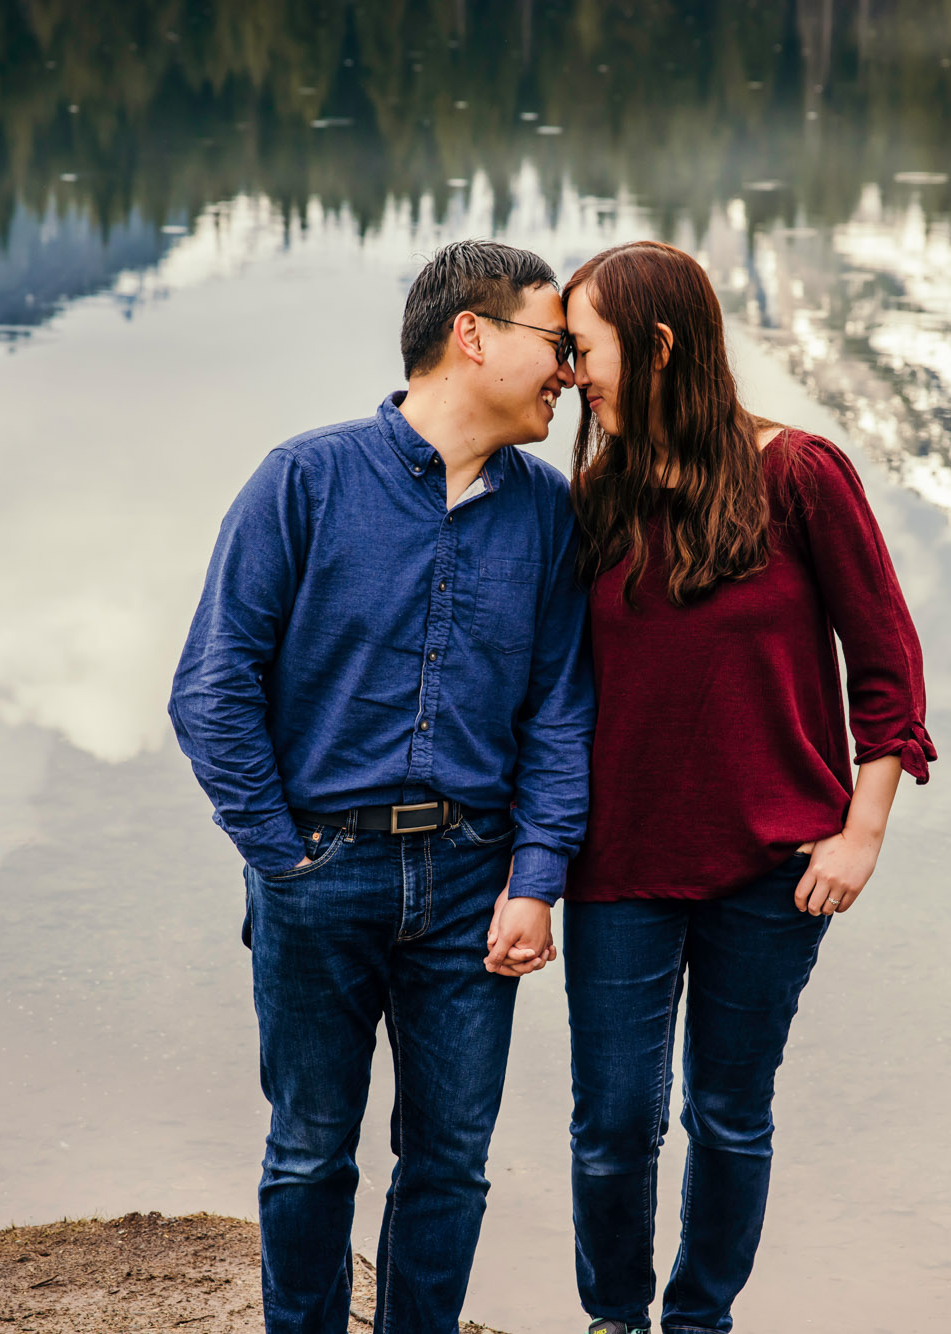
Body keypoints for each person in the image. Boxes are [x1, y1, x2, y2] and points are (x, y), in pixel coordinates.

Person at [168, 239, 593, 1334]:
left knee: (450, 1160)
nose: (568, 371)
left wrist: (535, 877)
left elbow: (558, 713)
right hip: (320, 869)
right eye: (553, 342)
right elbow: (212, 689)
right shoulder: (303, 480)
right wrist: (281, 855)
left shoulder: (547, 513)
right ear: (472, 334)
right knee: (309, 1152)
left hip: (471, 882)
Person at [555, 240, 933, 1334]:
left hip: (773, 871)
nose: (573, 373)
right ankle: (613, 1318)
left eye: (586, 349)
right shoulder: (591, 498)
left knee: (726, 1113)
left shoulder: (799, 474)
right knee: (613, 1122)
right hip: (619, 866)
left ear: (659, 344)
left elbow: (886, 666)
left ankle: (699, 1319)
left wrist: (860, 832)